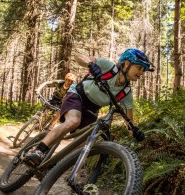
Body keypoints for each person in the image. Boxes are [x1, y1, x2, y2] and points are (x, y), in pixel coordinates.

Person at [24, 48, 152, 167]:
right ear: (126, 63)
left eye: (143, 70)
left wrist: (136, 132)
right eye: (139, 67)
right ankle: (38, 151)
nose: (141, 72)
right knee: (73, 121)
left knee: (83, 146)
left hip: (91, 110)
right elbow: (79, 57)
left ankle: (54, 167)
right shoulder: (109, 67)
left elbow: (129, 122)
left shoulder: (126, 93)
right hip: (77, 96)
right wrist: (91, 64)